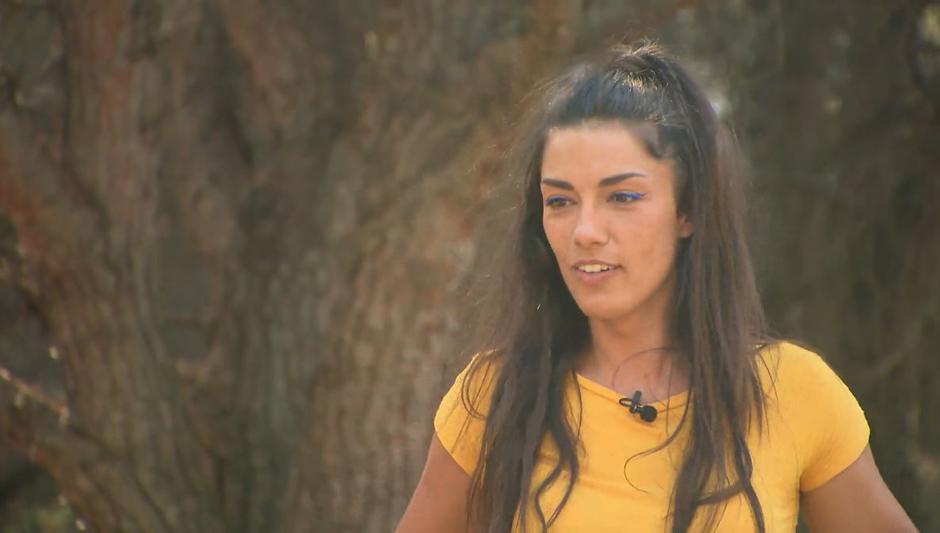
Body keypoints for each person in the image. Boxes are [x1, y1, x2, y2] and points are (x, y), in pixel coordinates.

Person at [396, 41, 917, 532]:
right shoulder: (497, 396)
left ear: (688, 211)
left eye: (622, 197)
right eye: (560, 201)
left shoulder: (794, 392)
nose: (585, 231)